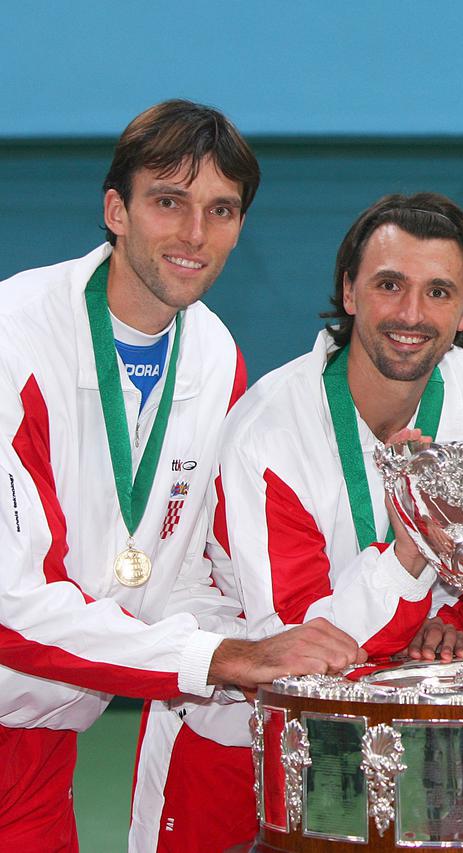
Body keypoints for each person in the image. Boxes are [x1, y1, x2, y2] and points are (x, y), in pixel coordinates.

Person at [0, 99, 364, 851]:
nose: (195, 235)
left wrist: (294, 653)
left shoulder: (213, 355)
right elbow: (9, 606)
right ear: (117, 210)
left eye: (221, 210)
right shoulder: (15, 336)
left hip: (43, 742)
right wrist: (224, 658)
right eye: (169, 202)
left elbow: (187, 571)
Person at [129, 192, 463, 851]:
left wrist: (451, 619)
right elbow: (299, 653)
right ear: (350, 291)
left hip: (405, 741)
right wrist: (413, 548)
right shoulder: (269, 430)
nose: (412, 313)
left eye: (439, 291)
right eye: (389, 284)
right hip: (234, 737)